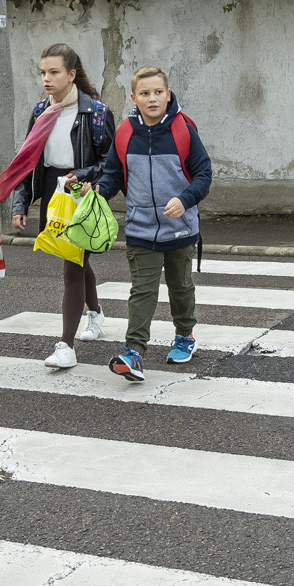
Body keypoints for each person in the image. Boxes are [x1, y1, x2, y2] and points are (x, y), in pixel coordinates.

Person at [79, 66, 211, 382]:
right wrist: (98, 190)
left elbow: (204, 175)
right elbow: (113, 174)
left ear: (168, 94)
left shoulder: (183, 131)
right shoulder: (126, 133)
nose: (152, 99)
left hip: (179, 229)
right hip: (140, 229)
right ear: (133, 97)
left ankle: (185, 335)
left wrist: (185, 199)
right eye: (145, 93)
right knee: (142, 291)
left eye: (157, 92)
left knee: (180, 287)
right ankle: (134, 352)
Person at [5, 44, 117, 369]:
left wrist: (80, 176)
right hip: (53, 191)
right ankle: (95, 313)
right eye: (42, 72)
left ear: (71, 74)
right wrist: (21, 202)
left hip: (80, 193)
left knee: (73, 266)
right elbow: (27, 159)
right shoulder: (41, 110)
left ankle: (66, 346)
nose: (46, 79)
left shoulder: (96, 113)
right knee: (77, 259)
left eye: (54, 72)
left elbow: (110, 161)